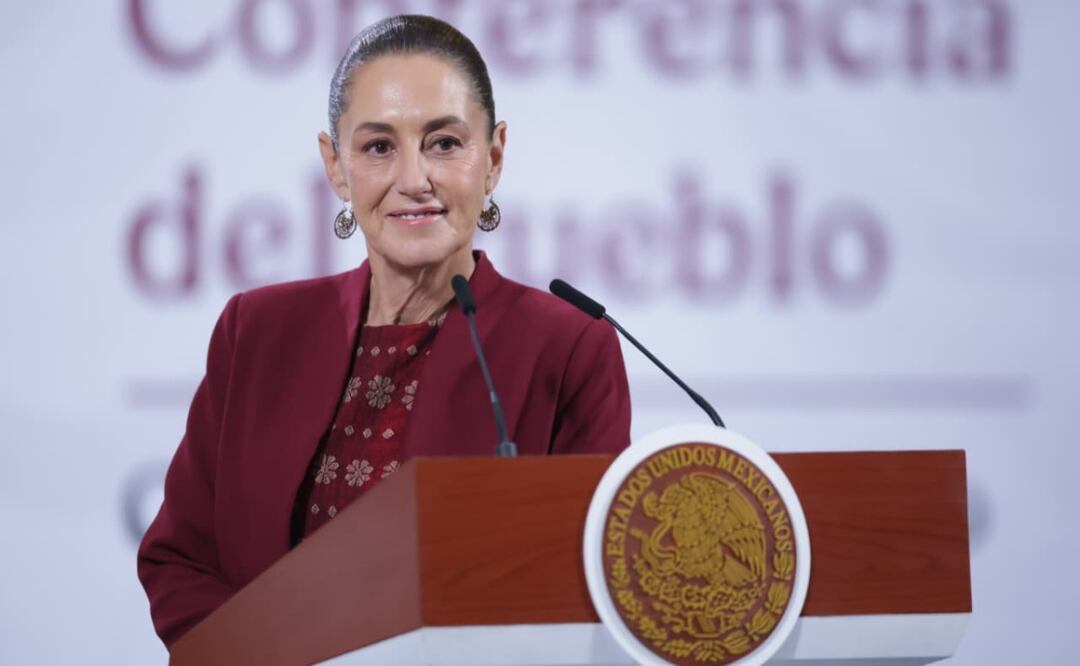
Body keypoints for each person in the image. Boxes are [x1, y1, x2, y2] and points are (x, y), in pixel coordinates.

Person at [136, 14, 632, 648]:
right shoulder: (255, 332)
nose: (414, 179)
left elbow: (588, 590)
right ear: (336, 167)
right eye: (378, 147)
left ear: (495, 156)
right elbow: (180, 561)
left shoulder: (566, 348)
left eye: (444, 143)